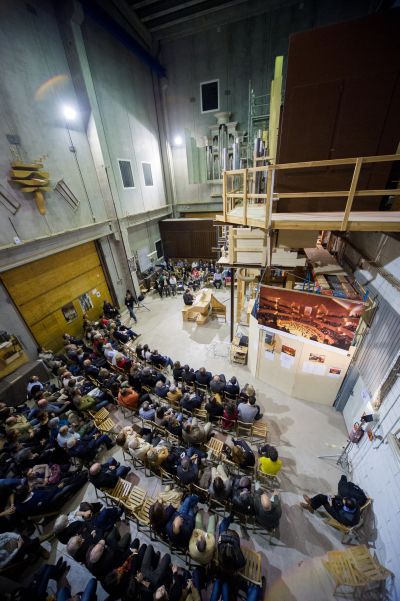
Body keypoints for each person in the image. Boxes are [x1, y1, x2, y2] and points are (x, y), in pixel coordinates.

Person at [300, 475, 365, 526]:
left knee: (324, 501)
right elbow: (343, 498)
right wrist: (335, 497)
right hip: (341, 509)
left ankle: (311, 507)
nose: (344, 500)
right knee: (322, 496)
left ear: (346, 507)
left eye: (344, 502)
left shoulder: (347, 518)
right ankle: (311, 502)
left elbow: (335, 515)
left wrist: (331, 504)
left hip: (339, 514)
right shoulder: (355, 504)